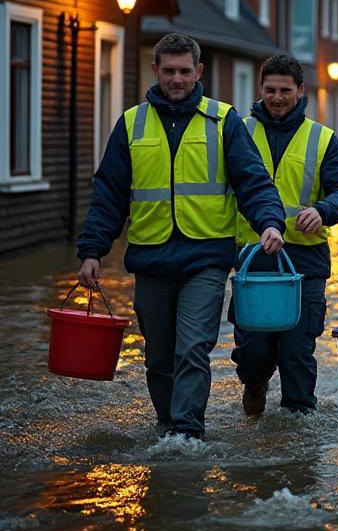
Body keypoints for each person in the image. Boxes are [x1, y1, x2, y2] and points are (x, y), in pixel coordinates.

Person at [76, 33, 286, 440]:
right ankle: (168, 423)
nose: (176, 79)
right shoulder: (132, 124)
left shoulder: (223, 121)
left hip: (206, 258)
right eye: (168, 71)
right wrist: (92, 252)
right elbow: (109, 195)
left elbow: (254, 183)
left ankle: (187, 433)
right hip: (151, 258)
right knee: (158, 356)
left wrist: (270, 222)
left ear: (198, 72)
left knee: (192, 347)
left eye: (184, 71)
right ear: (155, 71)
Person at [231, 54, 338, 417]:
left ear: (300, 91)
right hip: (252, 261)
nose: (276, 97)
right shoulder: (238, 132)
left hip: (304, 261)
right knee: (253, 351)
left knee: (296, 351)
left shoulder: (322, 139)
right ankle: (254, 384)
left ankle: (298, 421)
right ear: (260, 89)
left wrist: (323, 210)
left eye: (285, 90)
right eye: (270, 90)